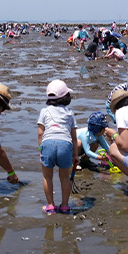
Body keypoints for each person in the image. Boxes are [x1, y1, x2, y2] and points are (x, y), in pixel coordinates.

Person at [37, 80, 80, 214]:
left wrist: (41, 150)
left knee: (47, 176)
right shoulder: (69, 113)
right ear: (66, 97)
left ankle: (50, 205)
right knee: (65, 177)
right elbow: (74, 137)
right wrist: (75, 155)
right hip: (65, 144)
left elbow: (40, 133)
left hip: (48, 143)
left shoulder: (44, 111)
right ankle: (65, 205)